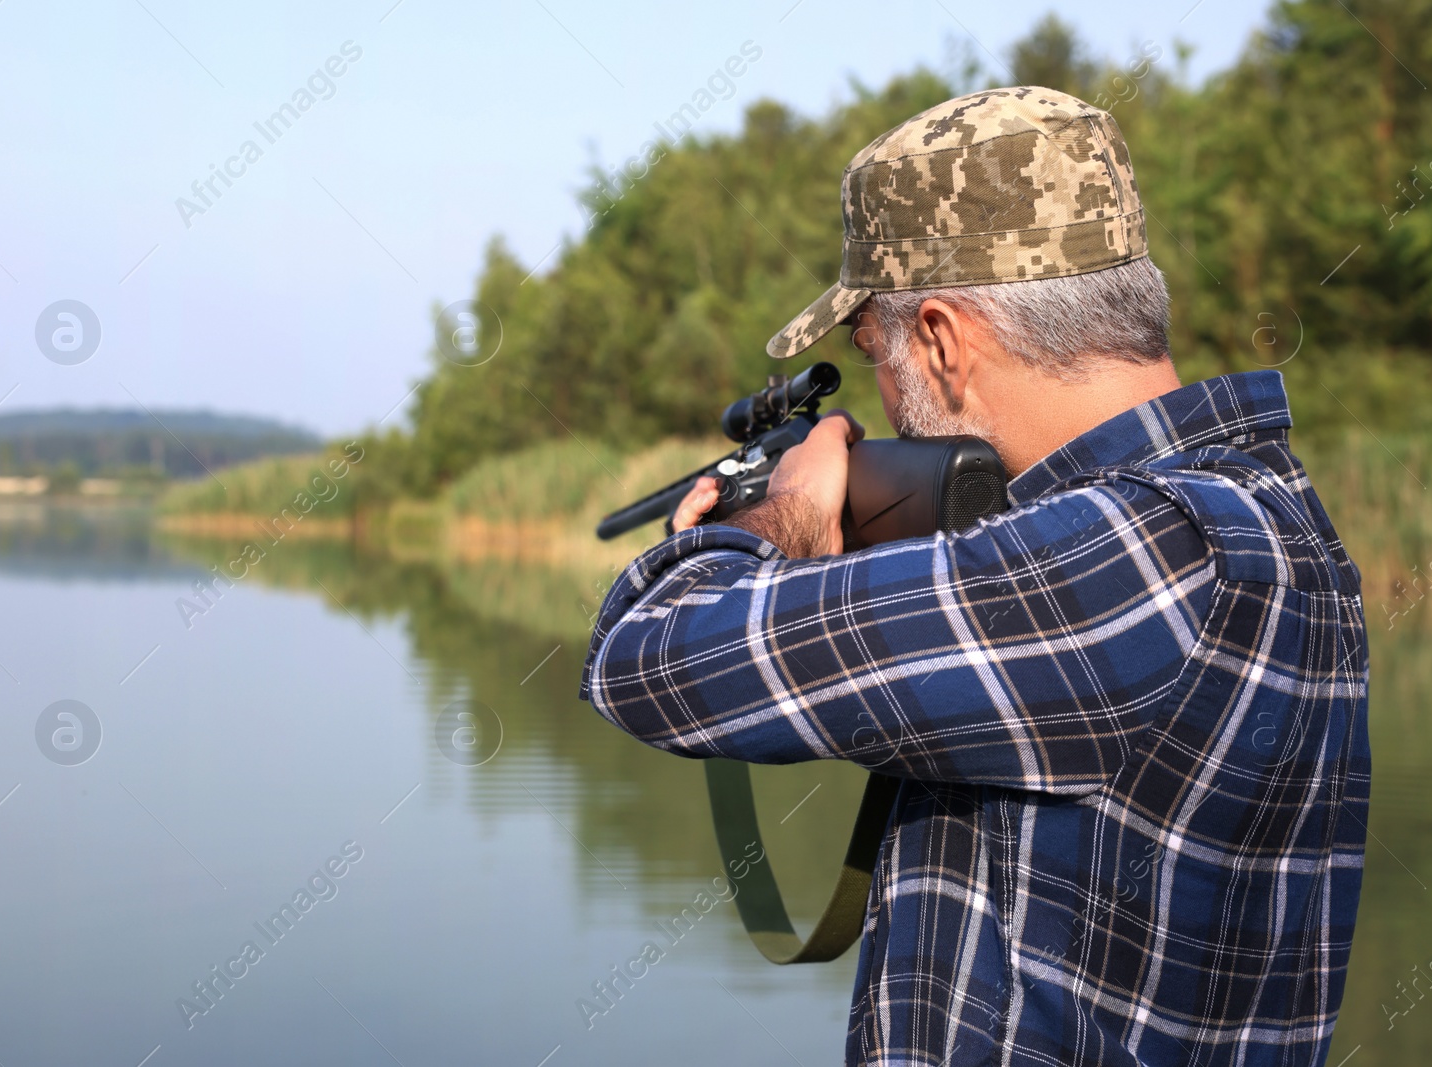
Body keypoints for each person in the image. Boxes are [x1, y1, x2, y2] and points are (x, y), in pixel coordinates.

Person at [580, 86, 1368, 1067]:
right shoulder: (1266, 512)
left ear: (944, 338)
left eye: (871, 345)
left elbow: (642, 657)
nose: (877, 385)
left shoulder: (1132, 556)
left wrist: (780, 515)